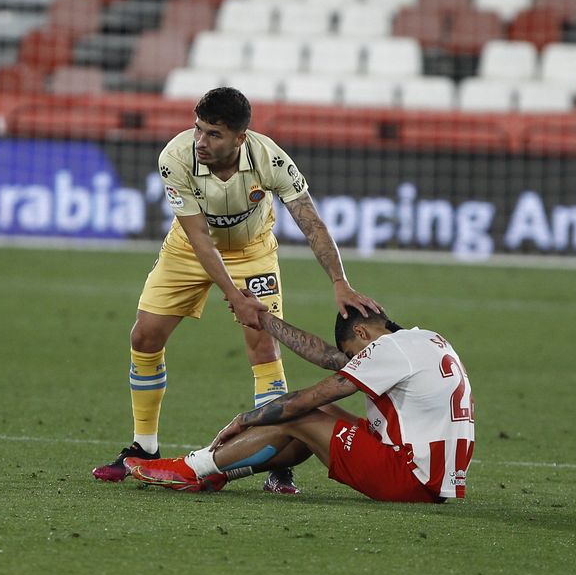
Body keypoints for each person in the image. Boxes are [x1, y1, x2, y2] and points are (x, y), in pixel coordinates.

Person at [91, 86, 379, 495]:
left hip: (253, 252)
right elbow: (199, 239)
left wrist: (339, 281)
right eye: (198, 129)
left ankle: (278, 464)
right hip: (188, 251)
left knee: (264, 347)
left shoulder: (270, 158)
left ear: (240, 138)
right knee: (144, 335)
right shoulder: (175, 158)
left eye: (213, 134)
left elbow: (310, 220)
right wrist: (235, 295)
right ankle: (145, 447)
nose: (201, 141)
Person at [125, 304, 475, 503]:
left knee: (300, 413)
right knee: (312, 416)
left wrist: (244, 419)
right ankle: (218, 474)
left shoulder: (386, 350)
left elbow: (311, 397)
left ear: (363, 334)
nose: (354, 360)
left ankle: (192, 469)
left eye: (354, 353)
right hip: (431, 474)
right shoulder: (424, 340)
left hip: (410, 479)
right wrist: (265, 320)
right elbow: (327, 358)